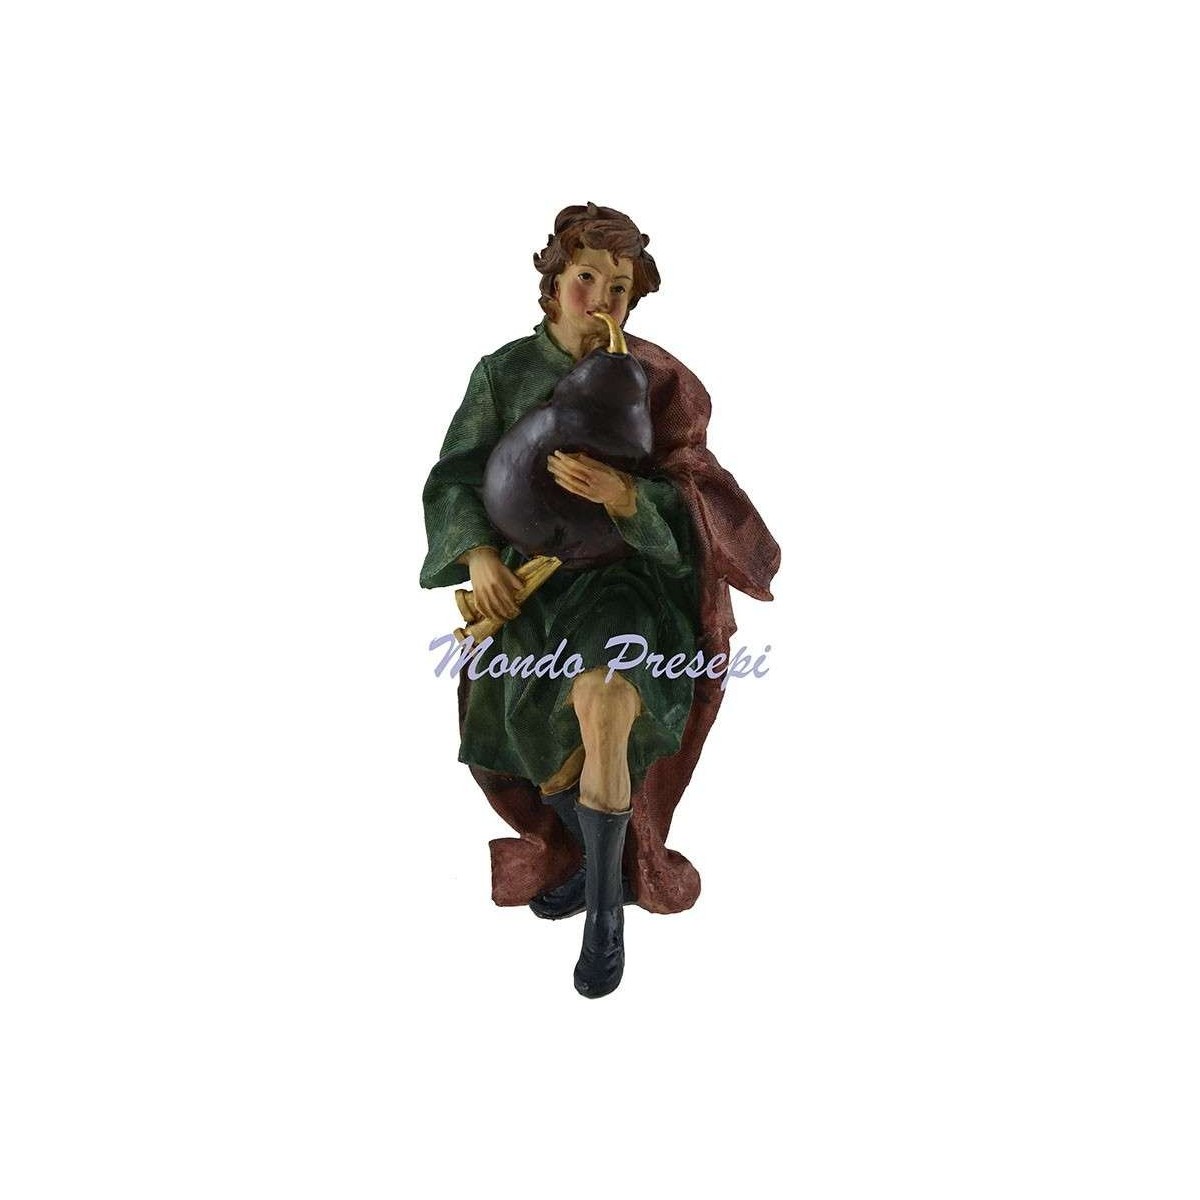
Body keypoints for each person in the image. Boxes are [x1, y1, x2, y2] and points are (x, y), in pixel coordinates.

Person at [420, 203, 779, 997]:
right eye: (587, 278)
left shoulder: (658, 382)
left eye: (620, 289)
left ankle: (606, 920)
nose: (603, 300)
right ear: (554, 282)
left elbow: (697, 506)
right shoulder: (503, 374)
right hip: (533, 592)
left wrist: (627, 499)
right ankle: (594, 861)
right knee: (544, 735)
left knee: (609, 704)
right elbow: (456, 478)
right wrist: (480, 557)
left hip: (627, 587)